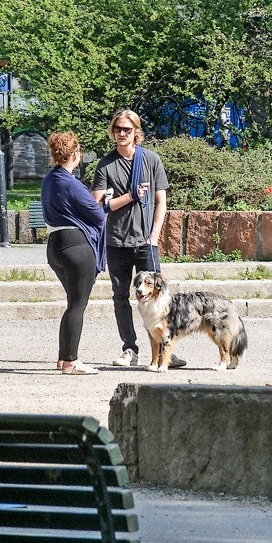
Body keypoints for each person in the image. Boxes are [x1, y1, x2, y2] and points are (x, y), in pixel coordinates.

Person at [91, 110, 185, 368]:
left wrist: (154, 236)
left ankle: (165, 349)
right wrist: (130, 196)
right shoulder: (106, 164)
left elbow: (161, 201)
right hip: (117, 241)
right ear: (113, 131)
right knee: (121, 296)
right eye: (118, 129)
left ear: (136, 132)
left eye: (127, 129)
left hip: (146, 242)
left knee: (159, 296)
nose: (122, 133)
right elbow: (98, 206)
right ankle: (130, 349)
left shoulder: (151, 160)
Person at [39, 131, 105, 374]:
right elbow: (98, 216)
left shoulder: (48, 179)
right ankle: (71, 361)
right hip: (76, 245)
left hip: (54, 244)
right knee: (78, 304)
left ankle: (62, 357)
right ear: (76, 154)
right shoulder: (72, 183)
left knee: (72, 303)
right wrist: (103, 202)